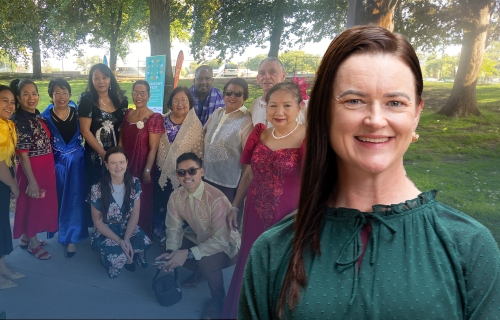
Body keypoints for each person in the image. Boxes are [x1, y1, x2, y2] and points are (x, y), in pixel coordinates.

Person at [239, 26, 500, 319]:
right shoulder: (273, 249)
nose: (375, 120)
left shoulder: (470, 247)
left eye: (395, 103)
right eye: (354, 101)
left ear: (415, 115)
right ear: (324, 112)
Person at [221, 82, 306, 318]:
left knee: (279, 271)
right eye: (273, 105)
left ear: (299, 107)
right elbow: (248, 174)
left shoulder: (309, 139)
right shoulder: (260, 133)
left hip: (287, 220)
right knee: (250, 263)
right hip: (253, 214)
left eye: (287, 105)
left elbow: (317, 185)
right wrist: (235, 206)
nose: (279, 112)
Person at [155, 152, 240, 319]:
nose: (187, 176)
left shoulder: (216, 199)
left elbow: (221, 241)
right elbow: (173, 228)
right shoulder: (176, 196)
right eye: (181, 172)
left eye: (192, 171)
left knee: (206, 261)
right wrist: (173, 253)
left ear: (202, 172)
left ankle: (217, 297)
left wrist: (187, 253)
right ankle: (199, 272)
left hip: (227, 245)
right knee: (167, 247)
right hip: (199, 237)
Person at [10, 79, 58, 260]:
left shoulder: (36, 116)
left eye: (34, 93)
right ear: (18, 97)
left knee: (36, 204)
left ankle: (25, 237)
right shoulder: (21, 121)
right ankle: (33, 243)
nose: (31, 98)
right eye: (26, 94)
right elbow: (23, 154)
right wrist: (32, 181)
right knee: (32, 204)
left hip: (44, 169)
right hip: (32, 171)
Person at [42, 78, 89, 258]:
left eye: (65, 92)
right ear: (51, 95)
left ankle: (72, 239)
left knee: (75, 199)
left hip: (78, 162)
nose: (61, 96)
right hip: (57, 164)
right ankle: (60, 231)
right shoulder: (45, 117)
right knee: (59, 199)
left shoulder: (78, 113)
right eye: (57, 93)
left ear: (69, 94)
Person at [89, 146, 151, 278]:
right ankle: (113, 261)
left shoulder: (134, 183)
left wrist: (127, 238)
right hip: (106, 228)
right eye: (113, 163)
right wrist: (119, 240)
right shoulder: (97, 189)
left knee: (144, 241)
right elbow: (98, 222)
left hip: (125, 225)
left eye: (121, 162)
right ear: (106, 165)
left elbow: (135, 214)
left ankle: (129, 255)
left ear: (127, 163)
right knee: (117, 257)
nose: (118, 167)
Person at [153, 86, 204, 241]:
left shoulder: (195, 125)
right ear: (170, 103)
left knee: (179, 206)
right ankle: (159, 232)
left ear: (189, 103)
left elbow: (199, 152)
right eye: (175, 100)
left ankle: (175, 236)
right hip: (161, 171)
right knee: (160, 202)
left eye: (184, 100)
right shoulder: (161, 120)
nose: (180, 104)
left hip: (184, 175)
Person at [78, 63, 128, 210]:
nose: (101, 81)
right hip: (95, 155)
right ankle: (98, 226)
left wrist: (118, 149)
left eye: (104, 77)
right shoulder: (87, 99)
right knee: (97, 189)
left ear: (110, 79)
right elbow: (85, 130)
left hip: (115, 154)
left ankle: (115, 223)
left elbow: (123, 127)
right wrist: (103, 153)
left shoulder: (120, 99)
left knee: (116, 188)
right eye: (96, 78)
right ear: (91, 80)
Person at [121, 80, 164, 239]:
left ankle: (140, 237)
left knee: (141, 201)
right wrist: (118, 163)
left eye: (143, 93)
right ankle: (124, 234)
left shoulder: (154, 118)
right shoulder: (128, 114)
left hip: (142, 167)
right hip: (124, 166)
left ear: (148, 96)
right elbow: (121, 139)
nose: (138, 96)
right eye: (135, 92)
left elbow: (153, 148)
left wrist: (147, 170)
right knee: (124, 198)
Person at [203, 77, 253, 205]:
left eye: (238, 94)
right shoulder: (217, 113)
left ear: (245, 97)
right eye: (229, 92)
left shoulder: (246, 120)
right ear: (224, 94)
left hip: (228, 184)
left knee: (223, 221)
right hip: (205, 176)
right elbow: (203, 134)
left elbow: (248, 159)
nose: (232, 96)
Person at [0, 85, 24, 289]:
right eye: (4, 100)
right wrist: (13, 185)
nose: (9, 105)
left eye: (12, 101)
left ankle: (3, 267)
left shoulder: (6, 124)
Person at [249, 57, 308, 127]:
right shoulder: (255, 105)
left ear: (283, 76)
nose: (267, 77)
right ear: (257, 78)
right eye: (262, 73)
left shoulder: (303, 103)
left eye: (272, 72)